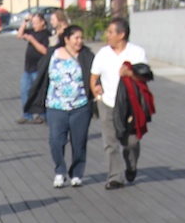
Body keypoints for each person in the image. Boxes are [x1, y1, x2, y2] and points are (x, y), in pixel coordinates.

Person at [25, 23, 96, 187]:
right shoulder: (53, 54)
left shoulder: (87, 56)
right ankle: (60, 170)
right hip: (56, 105)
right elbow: (43, 75)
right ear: (66, 39)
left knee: (79, 141)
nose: (79, 41)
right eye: (76, 38)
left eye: (81, 38)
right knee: (56, 140)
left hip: (80, 105)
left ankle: (77, 173)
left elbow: (94, 76)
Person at [90, 16, 148, 190]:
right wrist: (96, 91)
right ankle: (115, 177)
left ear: (121, 34)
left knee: (131, 142)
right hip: (107, 102)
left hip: (130, 104)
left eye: (110, 32)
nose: (107, 35)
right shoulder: (103, 53)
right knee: (110, 141)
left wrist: (129, 74)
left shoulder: (137, 52)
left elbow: (145, 76)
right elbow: (94, 76)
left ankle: (131, 164)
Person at [16, 11, 49, 123]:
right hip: (28, 68)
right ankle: (27, 114)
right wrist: (25, 22)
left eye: (36, 23)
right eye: (33, 23)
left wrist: (32, 40)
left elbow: (44, 51)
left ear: (42, 22)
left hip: (38, 68)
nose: (34, 25)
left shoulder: (46, 34)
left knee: (39, 92)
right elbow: (19, 35)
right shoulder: (32, 32)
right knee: (25, 90)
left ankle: (42, 114)